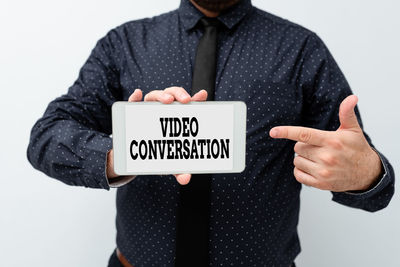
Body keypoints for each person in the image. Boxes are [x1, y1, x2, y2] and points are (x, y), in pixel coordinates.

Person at [27, 0, 395, 266]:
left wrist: (366, 175)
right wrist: (123, 151)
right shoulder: (123, 44)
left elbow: (370, 177)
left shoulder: (301, 49)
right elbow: (46, 137)